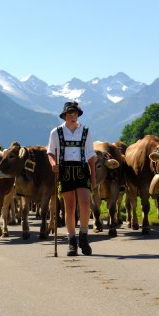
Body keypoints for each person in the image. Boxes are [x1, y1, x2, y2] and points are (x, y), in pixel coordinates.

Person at [47, 101, 97, 256]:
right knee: (69, 207)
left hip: (82, 170)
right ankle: (71, 241)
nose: (72, 116)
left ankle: (83, 236)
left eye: (75, 114)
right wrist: (53, 164)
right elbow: (50, 152)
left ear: (78, 115)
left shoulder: (86, 131)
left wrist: (93, 175)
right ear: (64, 116)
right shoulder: (56, 132)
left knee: (85, 204)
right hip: (65, 171)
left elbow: (90, 155)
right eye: (69, 114)